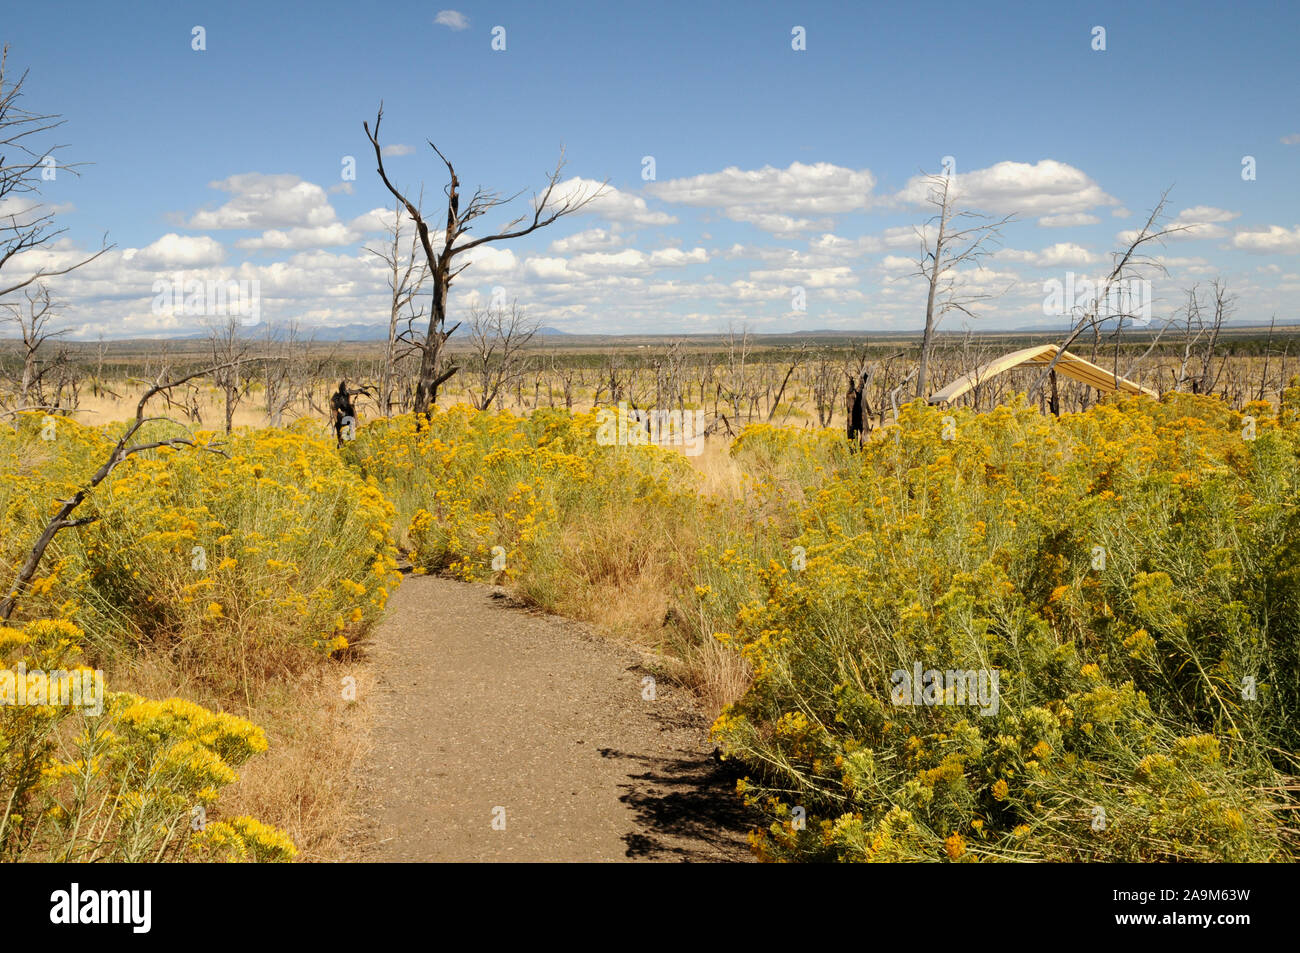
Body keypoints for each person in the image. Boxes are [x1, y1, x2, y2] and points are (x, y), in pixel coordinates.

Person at [330, 380, 358, 447]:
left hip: (348, 419)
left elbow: (351, 408)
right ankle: (342, 446)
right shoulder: (336, 398)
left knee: (349, 437)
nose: (347, 388)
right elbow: (334, 412)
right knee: (343, 438)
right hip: (342, 420)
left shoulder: (346, 395)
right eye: (345, 386)